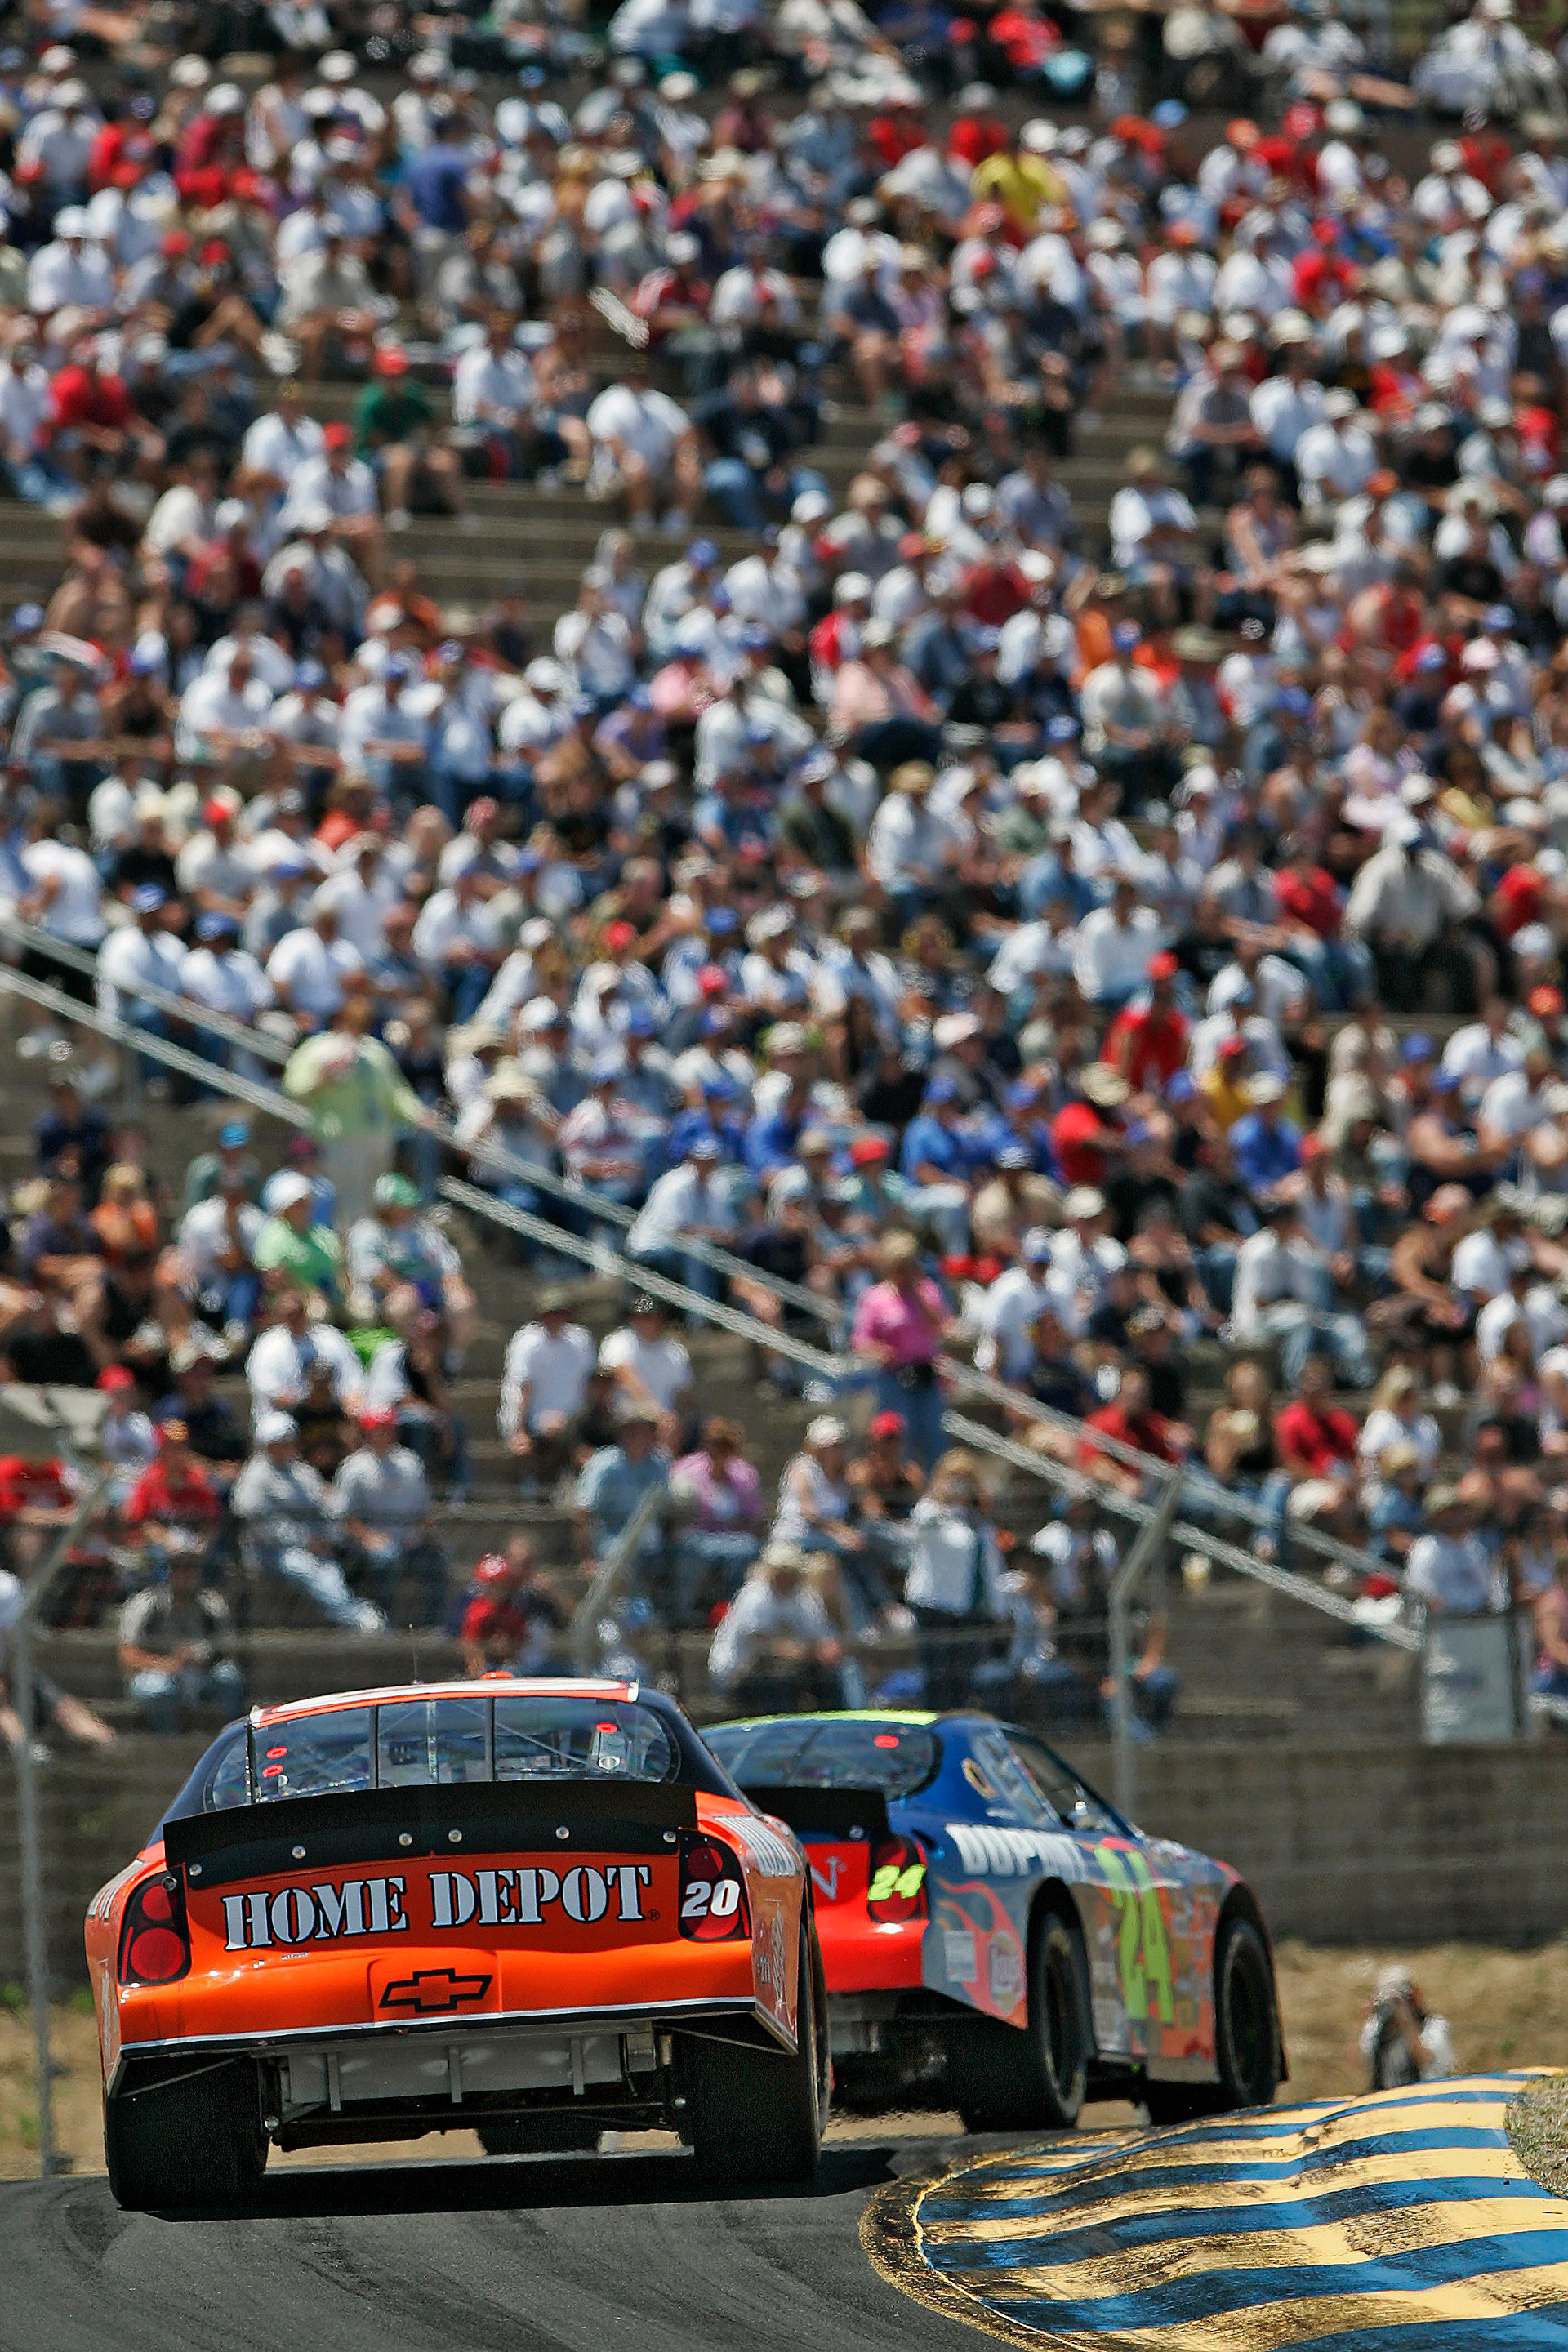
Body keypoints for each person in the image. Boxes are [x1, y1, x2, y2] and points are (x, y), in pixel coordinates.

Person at [230, 1410, 383, 1631]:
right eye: (278, 1442)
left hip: (312, 1545)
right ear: (266, 1444)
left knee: (330, 1570)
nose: (285, 1446)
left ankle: (357, 1615)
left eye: (288, 1440)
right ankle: (356, 1618)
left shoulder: (301, 1471)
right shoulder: (255, 1475)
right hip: (270, 1550)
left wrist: (326, 1535)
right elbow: (257, 1521)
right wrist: (304, 1540)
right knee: (305, 1567)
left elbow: (325, 1505)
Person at [904, 1449, 1010, 1708]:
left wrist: (1000, 1610)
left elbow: (991, 1567)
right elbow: (920, 1523)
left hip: (967, 1612)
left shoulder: (980, 1523)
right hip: (934, 1608)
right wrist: (943, 1496)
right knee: (937, 1679)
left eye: (965, 1479)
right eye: (954, 1477)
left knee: (963, 1681)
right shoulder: (931, 1512)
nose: (960, 1484)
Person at [850, 1229, 955, 1468]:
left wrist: (917, 1295)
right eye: (899, 1268)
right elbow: (860, 1341)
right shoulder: (874, 1298)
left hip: (926, 1376)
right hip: (895, 1378)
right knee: (901, 1442)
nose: (904, 1274)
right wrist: (881, 1351)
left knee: (935, 1442)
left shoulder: (927, 1291)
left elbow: (940, 1326)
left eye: (908, 1266)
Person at [707, 1540, 844, 1714]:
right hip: (739, 1675)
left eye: (792, 1571)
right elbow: (759, 1641)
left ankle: (834, 1723)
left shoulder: (803, 1598)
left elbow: (819, 1635)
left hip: (787, 1672)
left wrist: (826, 1649)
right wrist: (796, 1650)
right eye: (783, 1571)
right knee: (776, 1683)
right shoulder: (755, 1596)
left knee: (831, 1678)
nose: (788, 1577)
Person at [118, 1548, 243, 1732]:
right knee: (158, 1690)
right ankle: (170, 1740)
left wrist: (201, 1654)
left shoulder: (211, 1604)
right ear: (169, 1571)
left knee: (229, 1676)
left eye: (191, 1568)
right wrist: (167, 1664)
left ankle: (232, 1738)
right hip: (158, 1674)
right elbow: (127, 1655)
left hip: (201, 1674)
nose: (185, 1574)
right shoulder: (147, 1603)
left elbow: (230, 1650)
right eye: (179, 1568)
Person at [1360, 1967, 1455, 2090]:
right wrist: (1364, 2019)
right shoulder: (1376, 2029)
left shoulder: (1433, 2025)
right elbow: (1357, 2062)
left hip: (1423, 2094)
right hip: (1386, 2096)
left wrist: (1407, 2023)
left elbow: (1426, 2061)